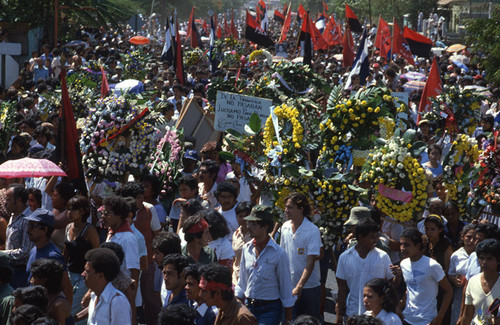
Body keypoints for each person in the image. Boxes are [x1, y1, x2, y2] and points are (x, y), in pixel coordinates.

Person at [235, 205, 294, 325]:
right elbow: (242, 282)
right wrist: (236, 305)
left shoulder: (279, 254)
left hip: (270, 309)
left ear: (265, 226)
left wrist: (288, 319)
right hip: (248, 306)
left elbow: (286, 289)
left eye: (254, 224)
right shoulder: (246, 249)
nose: (249, 227)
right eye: (249, 223)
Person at [336, 219, 394, 324]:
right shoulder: (344, 258)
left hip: (376, 317)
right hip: (352, 314)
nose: (376, 240)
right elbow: (342, 288)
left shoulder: (383, 257)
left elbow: (391, 283)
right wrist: (339, 314)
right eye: (372, 237)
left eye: (377, 236)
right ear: (360, 237)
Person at [280, 192, 323, 321]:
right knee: (289, 320)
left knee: (311, 321)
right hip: (289, 285)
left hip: (309, 287)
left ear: (301, 209)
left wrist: (300, 286)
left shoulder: (312, 230)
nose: (286, 210)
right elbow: (282, 256)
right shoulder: (284, 227)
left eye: (290, 207)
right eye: (286, 207)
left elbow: (310, 263)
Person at [397, 228, 452, 325]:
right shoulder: (404, 264)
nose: (402, 248)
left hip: (427, 320)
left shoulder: (432, 265)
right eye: (401, 244)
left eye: (406, 245)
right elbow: (411, 288)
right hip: (407, 318)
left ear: (418, 246)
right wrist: (400, 306)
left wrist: (439, 317)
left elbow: (448, 291)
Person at [25, 208, 73, 305]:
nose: (28, 229)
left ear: (45, 229)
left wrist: (64, 317)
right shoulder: (34, 250)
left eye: (32, 226)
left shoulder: (53, 257)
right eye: (28, 225)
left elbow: (67, 290)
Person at [63, 195, 99, 319]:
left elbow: (97, 255)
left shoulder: (89, 230)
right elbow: (65, 253)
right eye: (67, 209)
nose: (68, 212)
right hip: (69, 275)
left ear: (82, 211)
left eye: (72, 209)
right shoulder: (68, 228)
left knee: (74, 311)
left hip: (83, 277)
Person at [83, 248, 132, 325]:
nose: (83, 274)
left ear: (100, 276)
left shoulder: (118, 302)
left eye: (87, 271)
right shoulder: (94, 297)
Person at [102, 196, 140, 284]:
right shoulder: (111, 233)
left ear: (119, 215)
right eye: (103, 213)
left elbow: (135, 271)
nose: (103, 216)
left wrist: (132, 296)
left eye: (107, 213)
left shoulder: (128, 238)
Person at [461, 239, 500, 325]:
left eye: (489, 259)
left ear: (498, 261)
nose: (484, 262)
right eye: (482, 258)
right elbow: (467, 315)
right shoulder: (472, 281)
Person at [4, 184, 34, 288]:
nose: (5, 203)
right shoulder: (13, 215)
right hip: (9, 267)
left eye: (8, 200)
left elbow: (25, 251)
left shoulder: (28, 219)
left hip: (21, 271)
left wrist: (3, 254)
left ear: (18, 200)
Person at [29, 259, 73, 325]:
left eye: (34, 277)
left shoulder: (58, 305)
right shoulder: (45, 296)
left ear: (44, 280)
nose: (31, 280)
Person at [448, 224, 476, 325]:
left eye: (474, 238)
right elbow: (450, 274)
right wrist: (455, 280)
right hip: (460, 295)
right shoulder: (456, 255)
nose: (471, 241)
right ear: (462, 237)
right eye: (468, 237)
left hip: (475, 295)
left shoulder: (481, 256)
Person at [232, 202, 252, 286]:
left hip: (251, 279)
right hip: (236, 280)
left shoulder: (259, 234)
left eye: (247, 216)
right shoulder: (236, 235)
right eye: (240, 216)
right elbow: (234, 258)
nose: (244, 219)